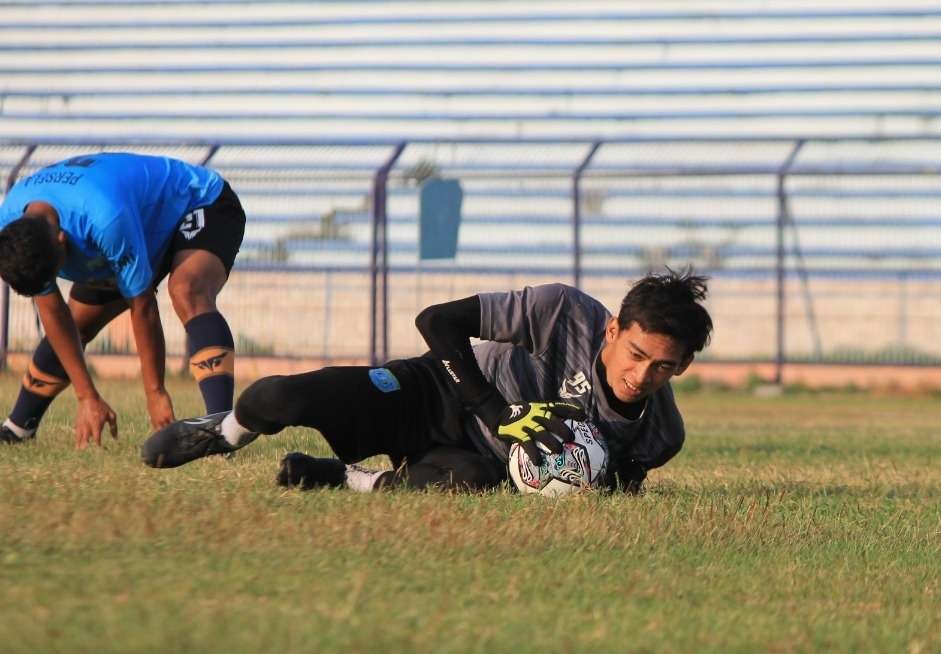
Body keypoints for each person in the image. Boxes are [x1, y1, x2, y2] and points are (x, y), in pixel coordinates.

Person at [142, 269, 713, 494]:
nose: (643, 375)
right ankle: (224, 432)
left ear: (682, 366)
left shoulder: (661, 435)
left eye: (664, 366)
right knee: (281, 395)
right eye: (636, 353)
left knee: (468, 486)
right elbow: (437, 322)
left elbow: (611, 491)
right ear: (612, 329)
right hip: (433, 392)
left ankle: (342, 479)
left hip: (479, 460)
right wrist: (497, 413)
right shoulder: (562, 311)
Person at [0, 152, 245, 447]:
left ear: (62, 241)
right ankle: (17, 430)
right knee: (76, 324)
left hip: (200, 202)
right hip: (134, 225)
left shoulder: (104, 217)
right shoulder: (13, 229)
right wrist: (86, 396)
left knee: (186, 289)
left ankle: (222, 431)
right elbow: (54, 314)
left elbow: (142, 307)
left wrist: (155, 392)